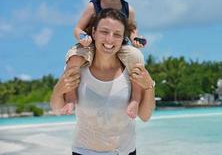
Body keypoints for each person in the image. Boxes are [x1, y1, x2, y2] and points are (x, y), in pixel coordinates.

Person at [51, 9, 155, 155]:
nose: (110, 40)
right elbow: (56, 109)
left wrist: (150, 86)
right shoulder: (78, 67)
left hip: (125, 152)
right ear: (93, 33)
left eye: (117, 34)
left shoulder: (131, 66)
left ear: (122, 38)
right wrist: (57, 91)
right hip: (84, 151)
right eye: (104, 32)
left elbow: (145, 116)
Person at [63, 0, 147, 118]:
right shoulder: (92, 6)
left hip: (118, 46)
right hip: (91, 44)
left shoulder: (129, 10)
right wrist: (83, 38)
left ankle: (135, 99)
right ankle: (70, 96)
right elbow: (77, 28)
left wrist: (136, 39)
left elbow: (132, 31)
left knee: (137, 59)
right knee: (73, 59)